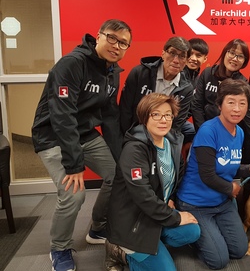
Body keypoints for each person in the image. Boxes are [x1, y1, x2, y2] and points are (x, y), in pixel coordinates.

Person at [31, 19, 132, 271]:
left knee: (117, 175)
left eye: (123, 43)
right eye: (112, 38)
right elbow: (62, 117)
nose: (116, 46)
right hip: (53, 136)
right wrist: (74, 164)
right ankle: (60, 247)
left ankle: (98, 228)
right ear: (98, 36)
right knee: (74, 195)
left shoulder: (112, 73)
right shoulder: (72, 64)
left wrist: (121, 158)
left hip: (85, 134)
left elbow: (110, 117)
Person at [106, 93, 200, 271]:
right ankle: (119, 251)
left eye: (167, 114)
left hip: (154, 215)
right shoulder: (134, 150)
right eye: (155, 114)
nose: (163, 120)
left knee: (192, 231)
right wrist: (176, 217)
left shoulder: (172, 141)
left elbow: (176, 177)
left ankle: (152, 246)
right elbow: (143, 196)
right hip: (133, 222)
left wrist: (170, 197)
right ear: (144, 117)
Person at [177, 79, 250, 270]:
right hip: (196, 203)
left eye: (242, 103)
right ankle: (194, 234)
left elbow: (229, 165)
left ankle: (211, 230)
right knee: (218, 260)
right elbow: (207, 175)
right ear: (220, 104)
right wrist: (231, 188)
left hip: (222, 202)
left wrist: (249, 169)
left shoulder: (239, 132)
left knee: (239, 250)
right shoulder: (208, 131)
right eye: (231, 102)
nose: (237, 108)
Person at [191, 38, 250, 164]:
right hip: (206, 130)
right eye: (232, 53)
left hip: (229, 133)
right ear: (225, 53)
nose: (235, 59)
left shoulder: (242, 83)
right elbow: (197, 105)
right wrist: (203, 131)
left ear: (244, 62)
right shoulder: (208, 73)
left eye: (240, 56)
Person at [119, 36, 193, 136]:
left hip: (163, 137)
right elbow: (125, 109)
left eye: (182, 56)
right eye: (172, 53)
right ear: (163, 54)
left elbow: (176, 124)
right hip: (133, 132)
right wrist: (129, 136)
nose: (176, 60)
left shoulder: (186, 89)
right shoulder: (139, 73)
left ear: (186, 61)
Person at [181, 37, 209, 145]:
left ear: (205, 59)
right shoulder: (177, 74)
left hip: (183, 122)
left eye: (198, 55)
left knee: (203, 132)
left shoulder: (199, 79)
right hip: (170, 122)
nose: (193, 58)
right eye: (190, 54)